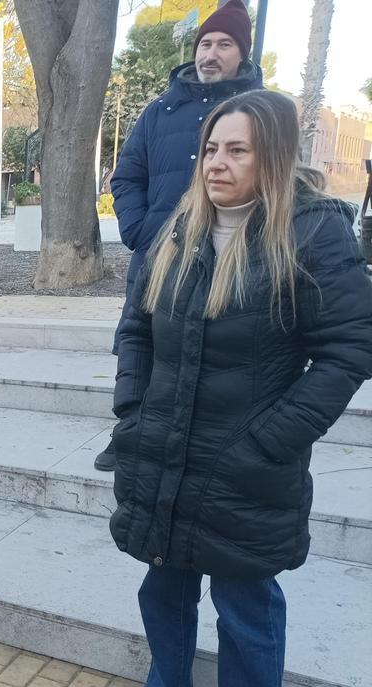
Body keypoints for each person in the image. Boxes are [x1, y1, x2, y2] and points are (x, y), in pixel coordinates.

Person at [106, 89, 372, 687]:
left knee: (245, 604)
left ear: (273, 157)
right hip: (164, 450)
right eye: (210, 149)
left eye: (236, 150)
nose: (216, 164)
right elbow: (136, 328)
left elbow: (348, 350)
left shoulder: (313, 233)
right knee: (162, 589)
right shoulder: (180, 225)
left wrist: (270, 441)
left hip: (246, 462)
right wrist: (133, 405)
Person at [99, 0, 262, 472]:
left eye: (224, 44)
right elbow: (126, 176)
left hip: (227, 257)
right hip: (157, 256)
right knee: (139, 341)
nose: (211, 53)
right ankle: (128, 433)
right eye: (205, 43)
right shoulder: (160, 111)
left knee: (204, 350)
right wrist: (141, 230)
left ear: (242, 53)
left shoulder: (260, 112)